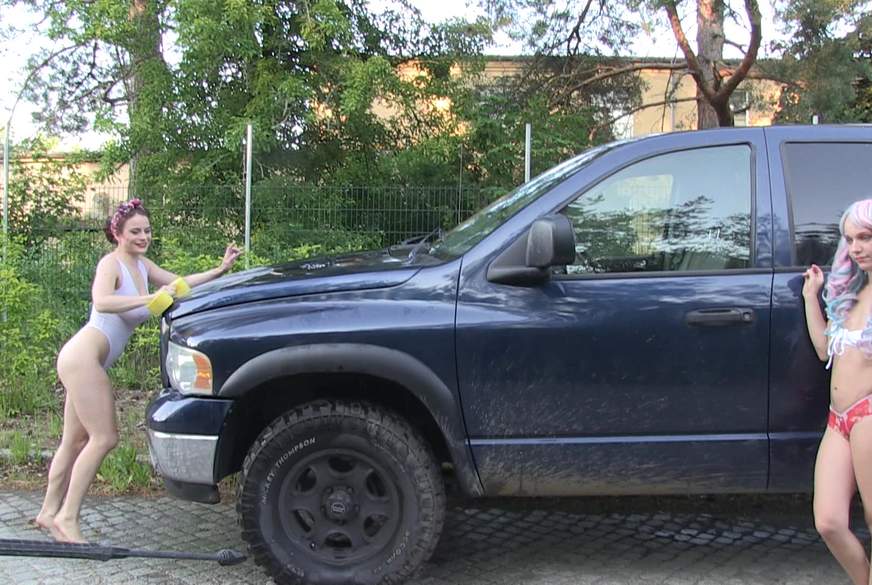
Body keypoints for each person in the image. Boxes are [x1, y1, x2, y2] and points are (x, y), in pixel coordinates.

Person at [33, 198, 242, 543]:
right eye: (135, 232)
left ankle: (47, 512)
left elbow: (180, 284)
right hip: (82, 358)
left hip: (87, 360)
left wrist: (219, 270)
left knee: (74, 440)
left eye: (147, 230)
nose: (143, 237)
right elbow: (102, 301)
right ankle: (67, 519)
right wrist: (149, 299)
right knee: (104, 438)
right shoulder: (111, 263)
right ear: (117, 233)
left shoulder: (142, 265)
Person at [804, 198, 872, 585]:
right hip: (839, 420)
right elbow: (823, 349)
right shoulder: (851, 292)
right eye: (850, 239)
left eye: (866, 237)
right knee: (828, 520)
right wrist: (810, 297)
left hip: (869, 417)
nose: (857, 247)